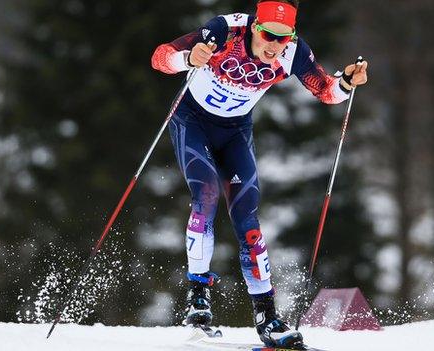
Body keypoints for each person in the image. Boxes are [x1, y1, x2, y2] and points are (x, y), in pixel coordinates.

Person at [151, 0, 368, 348]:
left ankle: (267, 316)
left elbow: (326, 91)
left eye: (283, 37)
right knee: (206, 193)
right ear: (255, 27)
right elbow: (160, 57)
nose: (274, 44)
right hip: (193, 122)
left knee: (248, 218)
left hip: (235, 132)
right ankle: (198, 294)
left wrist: (346, 82)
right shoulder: (224, 30)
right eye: (269, 34)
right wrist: (187, 59)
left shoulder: (293, 52)